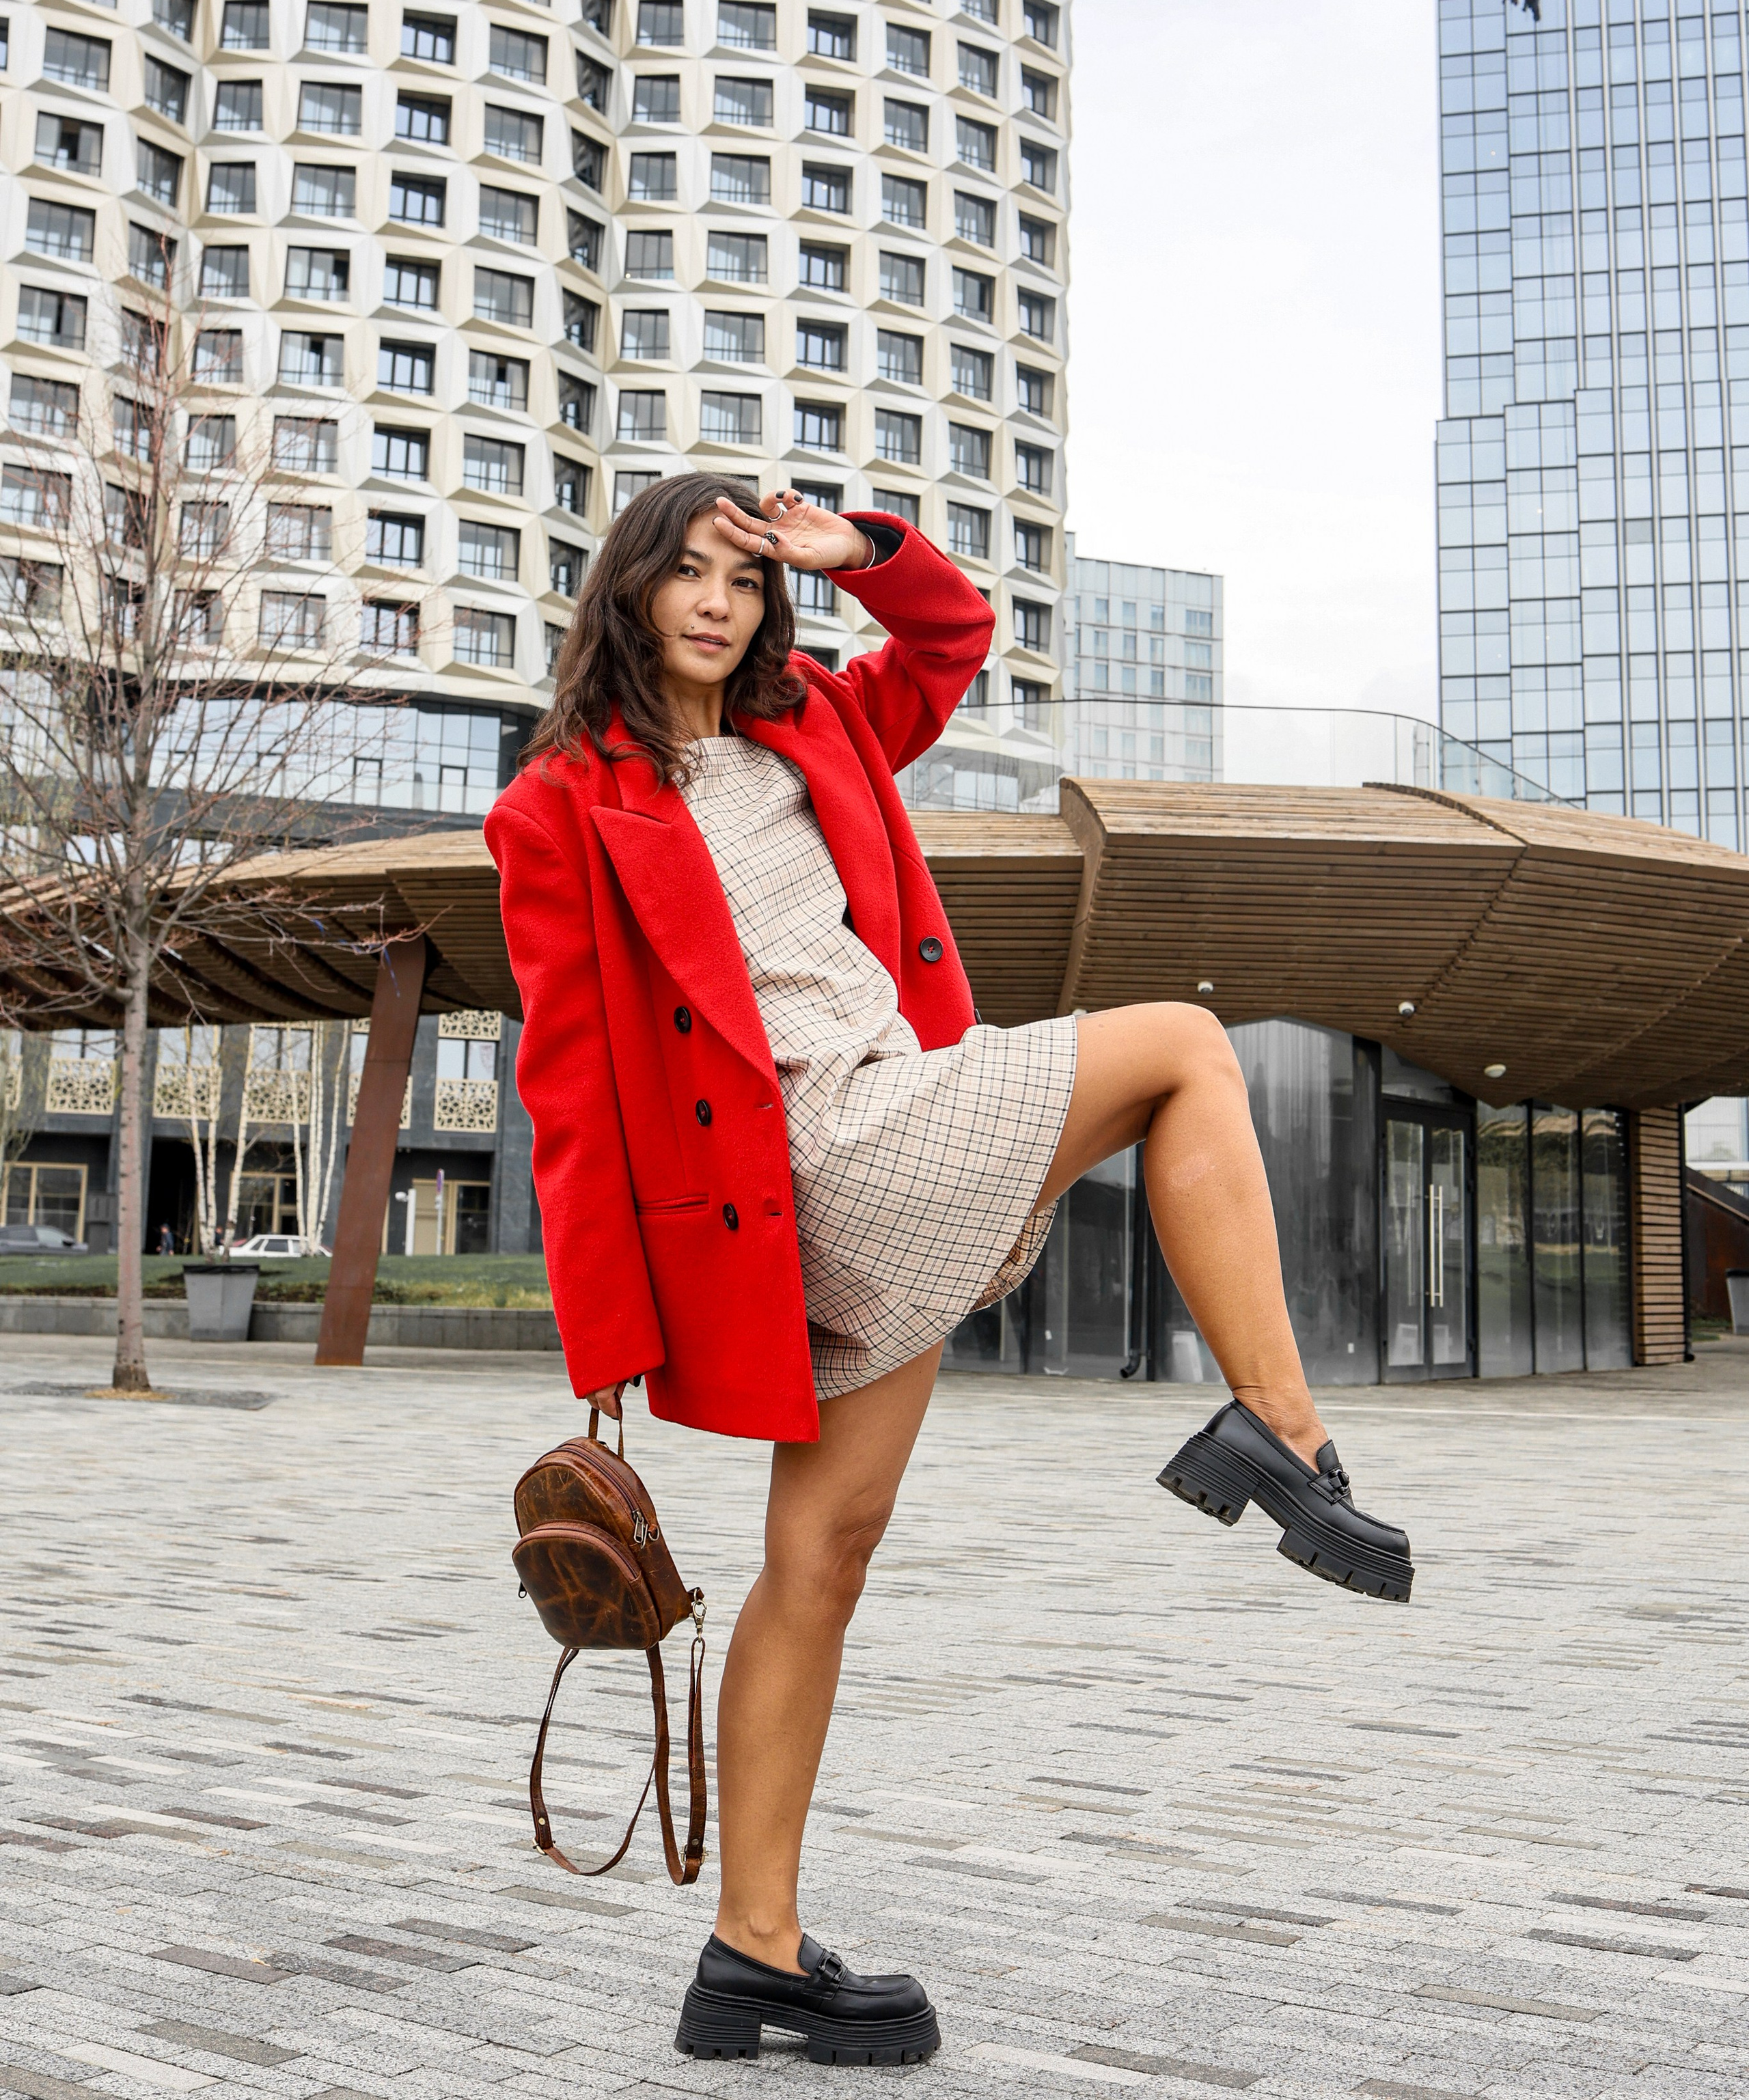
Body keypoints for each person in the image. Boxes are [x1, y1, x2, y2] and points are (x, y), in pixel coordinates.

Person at [486, 475, 1411, 2069]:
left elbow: (952, 632)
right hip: (819, 1148)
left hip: (854, 1165)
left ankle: (748, 1957)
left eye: (743, 578)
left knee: (819, 1562)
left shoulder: (820, 726)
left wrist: (861, 554)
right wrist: (606, 1325)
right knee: (1184, 1047)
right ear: (629, 594)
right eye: (686, 573)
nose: (717, 600)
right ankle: (1279, 1427)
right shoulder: (560, 805)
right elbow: (567, 1073)